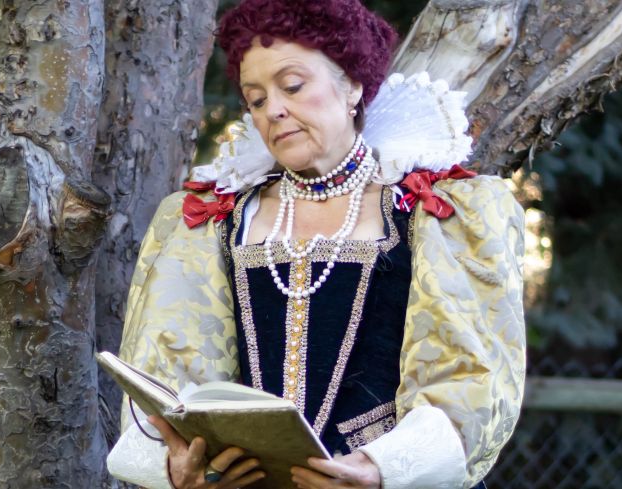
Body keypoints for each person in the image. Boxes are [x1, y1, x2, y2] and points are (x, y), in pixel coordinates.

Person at [107, 1, 526, 488]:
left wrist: (380, 469)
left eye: (292, 85)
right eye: (256, 99)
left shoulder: (436, 214)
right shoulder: (210, 221)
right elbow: (165, 380)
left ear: (351, 85)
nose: (274, 110)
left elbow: (471, 382)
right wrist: (179, 467)